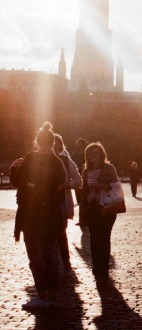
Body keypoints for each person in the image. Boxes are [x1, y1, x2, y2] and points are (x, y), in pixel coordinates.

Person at [14, 122, 64, 309]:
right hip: (50, 214)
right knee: (50, 254)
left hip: (31, 213)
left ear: (37, 141)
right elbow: (58, 190)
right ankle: (52, 294)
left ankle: (41, 295)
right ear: (52, 142)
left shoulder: (30, 158)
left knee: (35, 255)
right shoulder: (57, 162)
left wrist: (14, 168)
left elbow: (19, 183)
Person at [79, 142, 121, 280]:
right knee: (94, 239)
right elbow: (84, 192)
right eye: (90, 154)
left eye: (96, 153)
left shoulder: (108, 168)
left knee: (104, 238)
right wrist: (82, 211)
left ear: (102, 154)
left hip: (106, 206)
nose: (93, 156)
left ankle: (104, 266)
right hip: (92, 207)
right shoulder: (86, 171)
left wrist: (101, 186)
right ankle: (96, 265)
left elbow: (115, 186)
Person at [54, 134, 81, 273]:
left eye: (57, 142)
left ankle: (66, 262)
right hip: (43, 203)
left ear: (61, 145)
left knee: (60, 233)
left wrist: (65, 185)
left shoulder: (65, 160)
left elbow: (78, 180)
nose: (54, 145)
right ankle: (53, 264)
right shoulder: (39, 159)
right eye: (51, 142)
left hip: (61, 202)